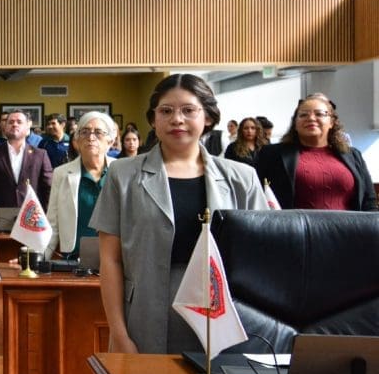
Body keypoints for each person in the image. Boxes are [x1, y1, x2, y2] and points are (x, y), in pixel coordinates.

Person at [89, 74, 266, 355]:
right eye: (166, 111)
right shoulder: (122, 175)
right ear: (154, 119)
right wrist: (119, 333)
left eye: (188, 110)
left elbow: (259, 260)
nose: (177, 119)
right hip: (143, 315)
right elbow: (110, 260)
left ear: (207, 117)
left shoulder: (241, 178)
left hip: (222, 317)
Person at [255, 94, 376, 211]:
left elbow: (368, 202)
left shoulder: (353, 155)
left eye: (319, 114)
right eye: (303, 115)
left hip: (348, 230)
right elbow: (256, 197)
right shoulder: (271, 154)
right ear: (295, 124)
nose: (311, 118)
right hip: (293, 230)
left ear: (331, 123)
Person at [44, 112, 116, 259]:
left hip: (116, 258)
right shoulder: (61, 173)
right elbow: (52, 224)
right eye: (84, 132)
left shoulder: (123, 171)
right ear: (76, 141)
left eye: (98, 132)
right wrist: (34, 259)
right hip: (75, 259)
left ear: (110, 141)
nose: (91, 137)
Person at [0, 109, 52, 228]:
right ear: (4, 127)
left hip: (34, 220)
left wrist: (48, 217)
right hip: (0, 221)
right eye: (11, 122)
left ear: (27, 127)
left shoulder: (40, 155)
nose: (15, 124)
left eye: (19, 122)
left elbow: (49, 189)